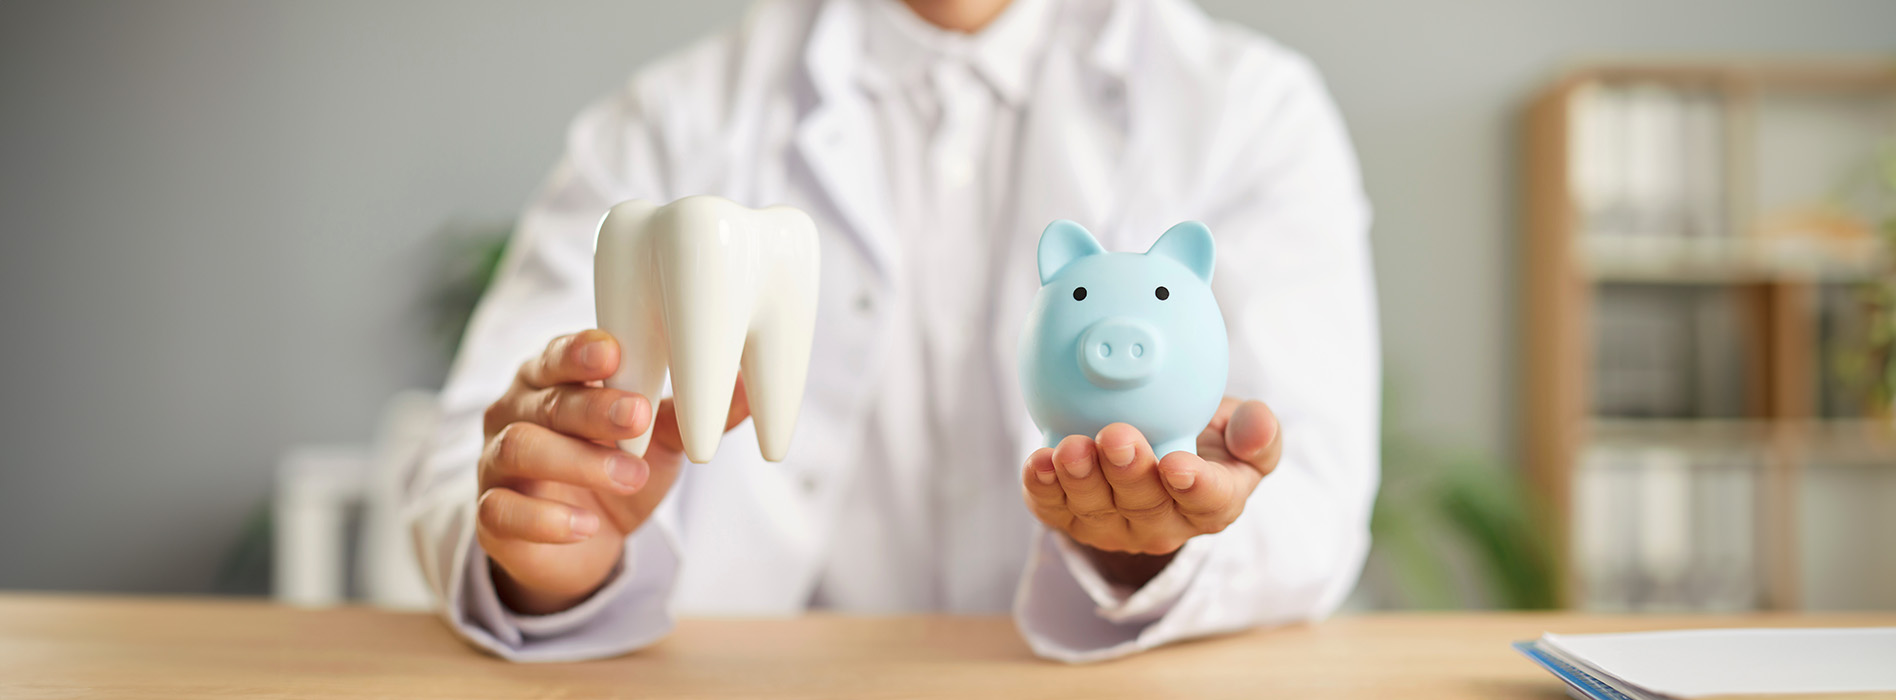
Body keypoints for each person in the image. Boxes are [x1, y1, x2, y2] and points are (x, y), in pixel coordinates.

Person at [406, 0, 1379, 663]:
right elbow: (469, 464)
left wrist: (1145, 546)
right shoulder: (670, 120)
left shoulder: (1247, 111)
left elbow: (1312, 507)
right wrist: (553, 552)